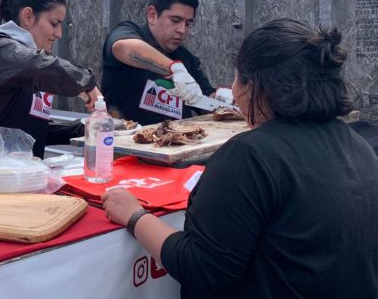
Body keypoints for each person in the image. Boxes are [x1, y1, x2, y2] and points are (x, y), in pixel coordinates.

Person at [102, 18, 378, 298]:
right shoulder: (357, 144)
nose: (233, 92)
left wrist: (134, 216)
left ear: (254, 84)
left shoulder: (251, 155)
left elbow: (202, 268)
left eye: (235, 78)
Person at [0, 0, 101, 159]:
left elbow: (32, 130)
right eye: (54, 23)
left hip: (22, 175)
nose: (59, 33)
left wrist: (82, 129)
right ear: (28, 16)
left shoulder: (32, 63)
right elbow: (39, 65)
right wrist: (87, 82)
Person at [100, 0, 215, 125]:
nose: (182, 30)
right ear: (152, 15)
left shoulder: (186, 58)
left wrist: (222, 101)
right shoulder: (128, 33)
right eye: (175, 20)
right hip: (124, 141)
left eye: (188, 23)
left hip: (176, 141)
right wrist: (174, 70)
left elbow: (204, 103)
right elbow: (122, 47)